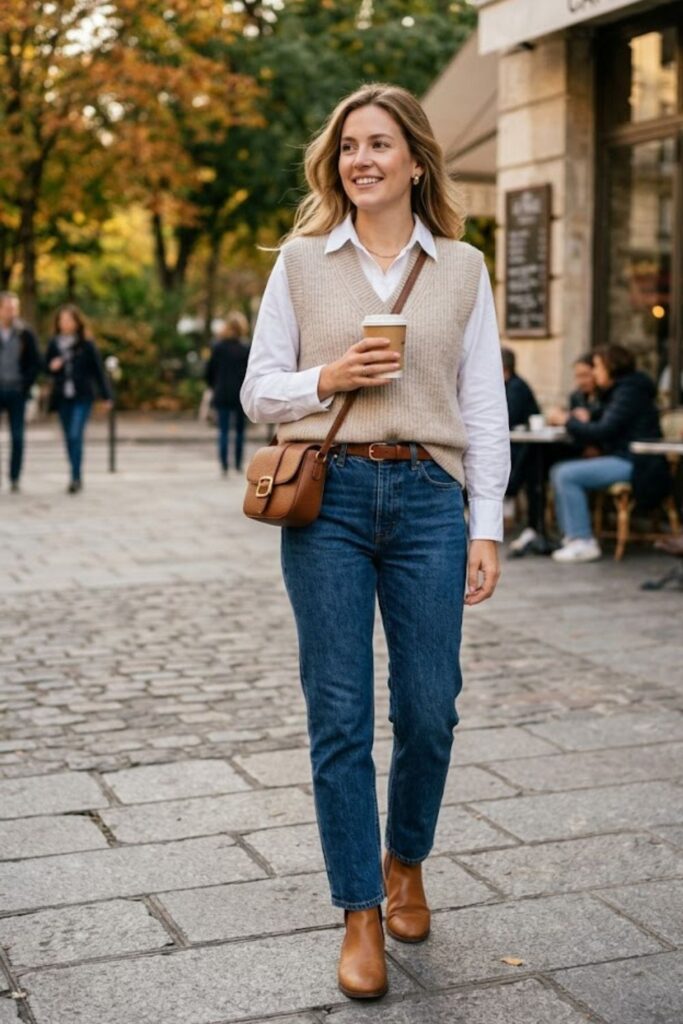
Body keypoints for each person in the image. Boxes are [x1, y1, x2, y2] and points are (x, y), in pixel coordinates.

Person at [241, 83, 509, 1000]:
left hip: (432, 498)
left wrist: (486, 526)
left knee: (431, 708)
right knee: (340, 715)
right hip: (333, 501)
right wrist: (330, 374)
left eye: (379, 144)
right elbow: (258, 391)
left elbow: (484, 408)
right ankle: (360, 909)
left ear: (415, 160)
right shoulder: (301, 263)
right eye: (349, 145)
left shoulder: (465, 269)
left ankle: (406, 862)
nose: (361, 159)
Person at [550, 344, 663, 563]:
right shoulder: (620, 391)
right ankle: (573, 537)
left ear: (612, 367)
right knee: (560, 469)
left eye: (598, 367)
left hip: (638, 463)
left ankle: (582, 540)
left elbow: (605, 429)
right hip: (625, 457)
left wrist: (567, 420)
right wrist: (587, 415)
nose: (594, 372)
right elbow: (606, 418)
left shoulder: (630, 391)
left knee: (566, 473)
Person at [45, 304, 112, 493]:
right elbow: (44, 367)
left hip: (82, 396)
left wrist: (106, 396)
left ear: (77, 322)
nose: (65, 323)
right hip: (62, 397)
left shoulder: (86, 345)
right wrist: (52, 367)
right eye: (62, 320)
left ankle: (76, 477)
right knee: (68, 438)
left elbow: (98, 371)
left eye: (69, 319)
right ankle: (74, 472)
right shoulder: (54, 344)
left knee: (76, 434)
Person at [502, 347, 542, 554]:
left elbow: (505, 419)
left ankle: (536, 527)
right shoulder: (509, 386)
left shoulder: (516, 388)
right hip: (518, 448)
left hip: (520, 450)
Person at [0, 291, 41, 493]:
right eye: (8, 308)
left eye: (15, 308)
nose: (12, 312)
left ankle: (14, 477)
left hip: (17, 391)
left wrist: (25, 384)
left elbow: (35, 363)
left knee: (18, 436)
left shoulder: (25, 333)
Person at [205, 311, 250, 475]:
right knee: (239, 431)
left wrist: (212, 386)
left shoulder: (218, 347)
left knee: (223, 430)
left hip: (222, 392)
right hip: (241, 395)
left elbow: (210, 371)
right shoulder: (246, 348)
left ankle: (224, 465)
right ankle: (238, 464)